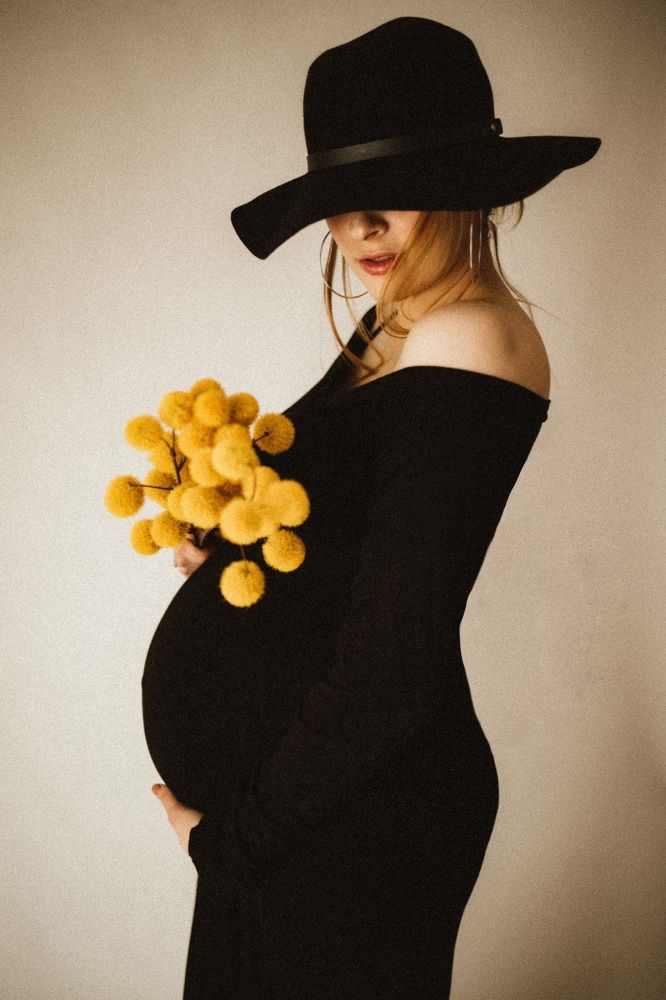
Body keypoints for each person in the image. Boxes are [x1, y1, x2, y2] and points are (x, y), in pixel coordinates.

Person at [144, 17, 601, 999]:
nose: (359, 227)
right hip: (319, 808)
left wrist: (235, 844)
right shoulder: (397, 326)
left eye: (391, 189)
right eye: (340, 202)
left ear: (464, 181)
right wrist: (232, 549)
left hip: (353, 817)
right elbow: (356, 556)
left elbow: (394, 654)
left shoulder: (472, 337)